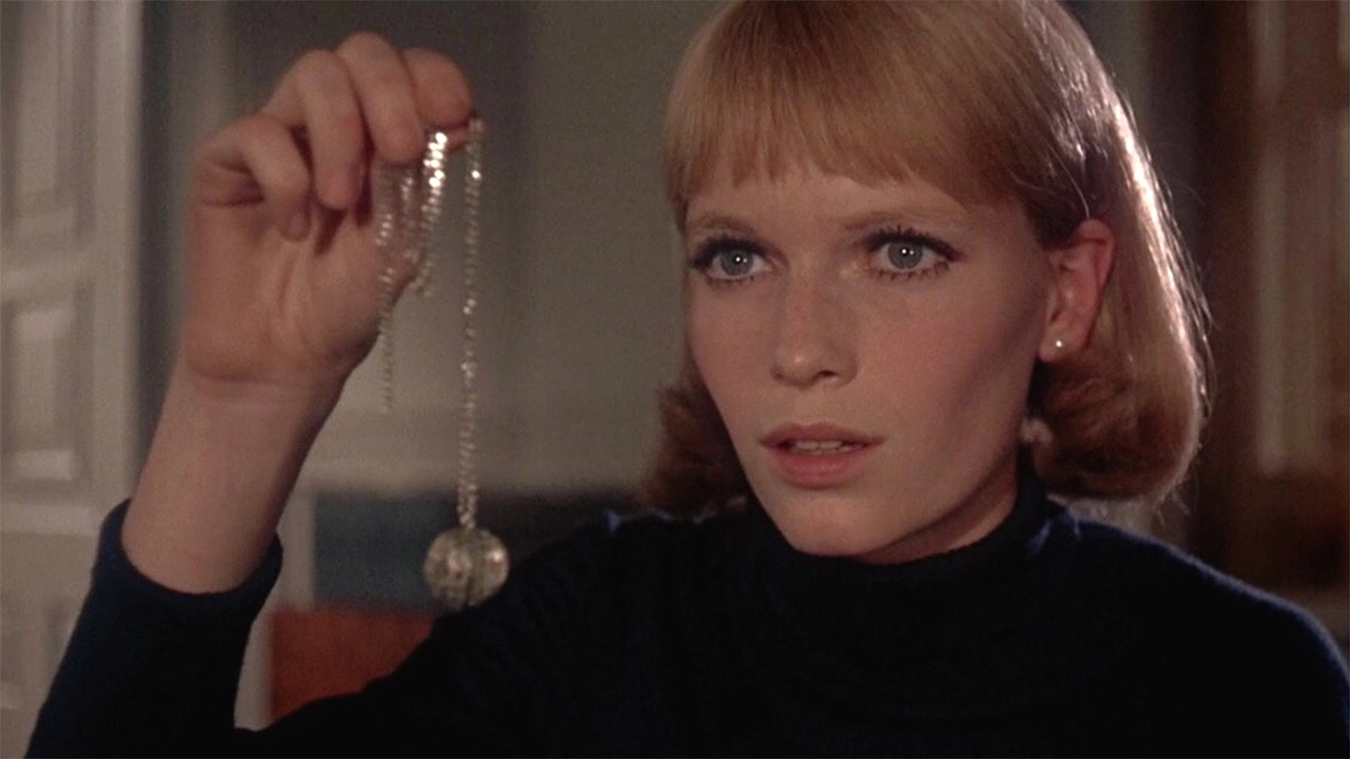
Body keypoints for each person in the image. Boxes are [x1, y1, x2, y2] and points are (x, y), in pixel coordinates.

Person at [27, 0, 1350, 756]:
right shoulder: (597, 632)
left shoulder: (1239, 687)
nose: (796, 346)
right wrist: (237, 397)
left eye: (898, 250)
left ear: (1062, 291)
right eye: (734, 255)